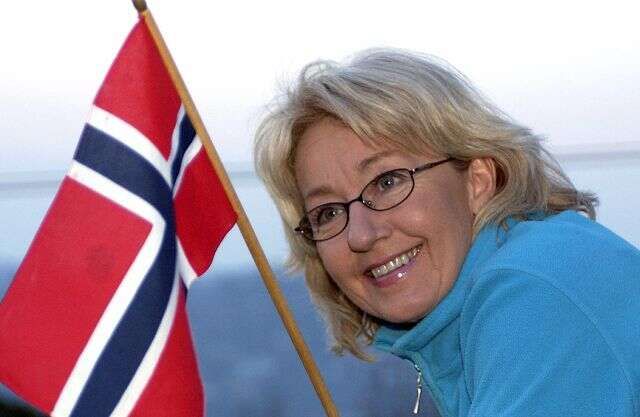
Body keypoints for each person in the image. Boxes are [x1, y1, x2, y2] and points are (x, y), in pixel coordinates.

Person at [253, 49, 640, 417]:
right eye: (328, 213)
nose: (361, 235)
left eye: (387, 182)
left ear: (478, 179)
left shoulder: (536, 291)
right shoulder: (479, 315)